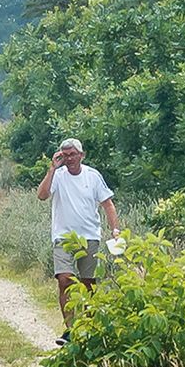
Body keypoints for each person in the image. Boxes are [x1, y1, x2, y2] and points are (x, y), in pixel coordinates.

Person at [44, 136, 120, 333]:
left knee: (89, 283)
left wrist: (115, 230)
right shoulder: (58, 176)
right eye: (65, 155)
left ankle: (88, 327)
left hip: (89, 235)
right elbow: (42, 195)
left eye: (73, 155)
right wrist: (52, 168)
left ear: (81, 155)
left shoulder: (93, 176)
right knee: (64, 279)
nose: (69, 159)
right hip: (63, 237)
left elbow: (107, 204)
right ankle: (69, 329)